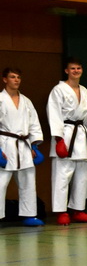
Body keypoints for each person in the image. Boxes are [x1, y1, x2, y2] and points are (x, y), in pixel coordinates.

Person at [47, 58, 87, 226]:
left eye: (78, 68)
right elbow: (54, 113)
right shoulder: (58, 90)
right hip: (65, 133)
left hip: (81, 135)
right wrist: (58, 139)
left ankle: (78, 210)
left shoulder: (84, 91)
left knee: (82, 176)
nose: (76, 71)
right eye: (72, 68)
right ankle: (61, 212)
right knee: (62, 176)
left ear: (82, 70)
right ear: (66, 71)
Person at [0, 67, 44, 226]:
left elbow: (34, 124)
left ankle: (29, 215)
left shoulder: (26, 101)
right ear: (5, 79)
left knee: (28, 182)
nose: (16, 80)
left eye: (18, 77)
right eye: (12, 77)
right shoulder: (0, 99)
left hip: (24, 146)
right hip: (5, 145)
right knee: (0, 183)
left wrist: (35, 145)